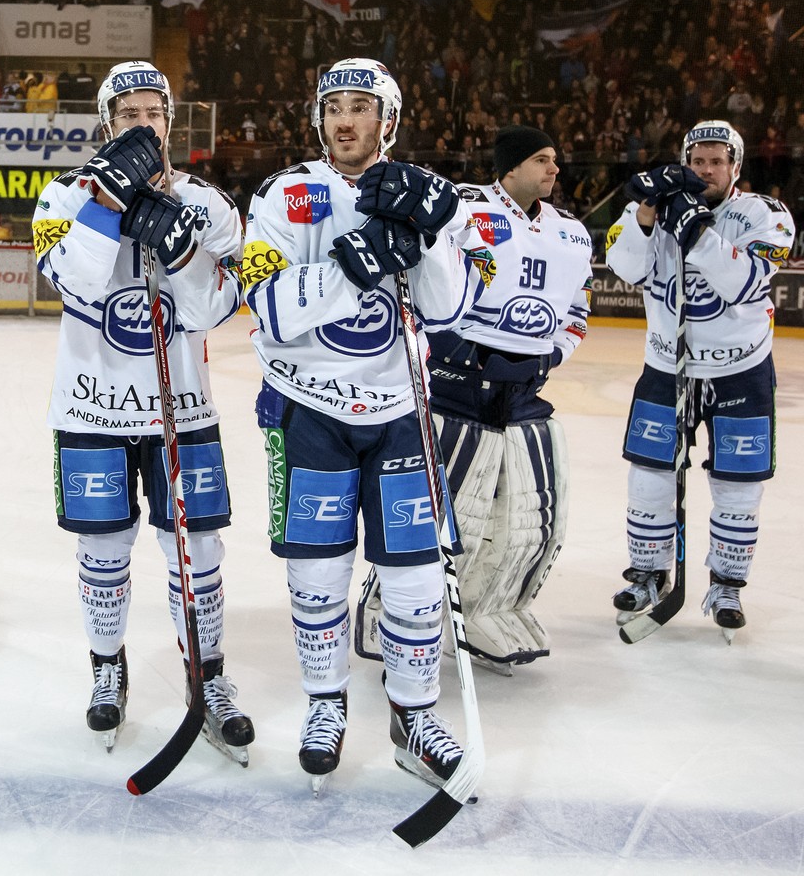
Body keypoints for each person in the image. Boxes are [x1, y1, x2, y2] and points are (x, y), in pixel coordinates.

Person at [242, 59, 478, 792]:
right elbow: (270, 308)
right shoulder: (283, 195)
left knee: (413, 579)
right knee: (318, 576)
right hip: (308, 408)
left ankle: (414, 717)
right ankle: (325, 704)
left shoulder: (429, 195)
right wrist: (359, 262)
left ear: (389, 119)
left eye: (361, 107)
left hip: (403, 412)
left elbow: (450, 311)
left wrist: (431, 231)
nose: (345, 119)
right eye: (333, 106)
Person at [32, 60, 253, 762]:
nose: (141, 124)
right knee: (102, 551)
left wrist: (179, 244)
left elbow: (216, 306)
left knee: (197, 550)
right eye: (127, 115)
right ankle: (107, 664)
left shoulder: (209, 204)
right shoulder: (63, 196)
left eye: (152, 114)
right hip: (92, 409)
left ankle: (208, 674)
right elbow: (74, 285)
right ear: (107, 122)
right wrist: (108, 203)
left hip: (181, 411)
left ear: (170, 122)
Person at [362, 125, 592, 673]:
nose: (554, 169)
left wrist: (551, 356)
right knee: (445, 511)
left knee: (530, 518)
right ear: (510, 168)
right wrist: (448, 345)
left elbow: (578, 308)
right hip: (456, 387)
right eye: (541, 159)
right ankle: (386, 611)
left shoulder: (573, 233)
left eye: (554, 159)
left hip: (525, 392)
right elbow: (421, 274)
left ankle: (491, 609)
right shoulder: (465, 208)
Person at [605, 120, 795, 642]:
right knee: (649, 478)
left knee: (739, 486)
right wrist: (646, 216)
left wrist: (698, 234)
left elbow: (745, 283)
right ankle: (647, 574)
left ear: (736, 167)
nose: (706, 170)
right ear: (684, 162)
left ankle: (727, 585)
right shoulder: (655, 205)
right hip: (667, 369)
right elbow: (623, 266)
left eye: (717, 161)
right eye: (698, 160)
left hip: (740, 370)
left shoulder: (765, 214)